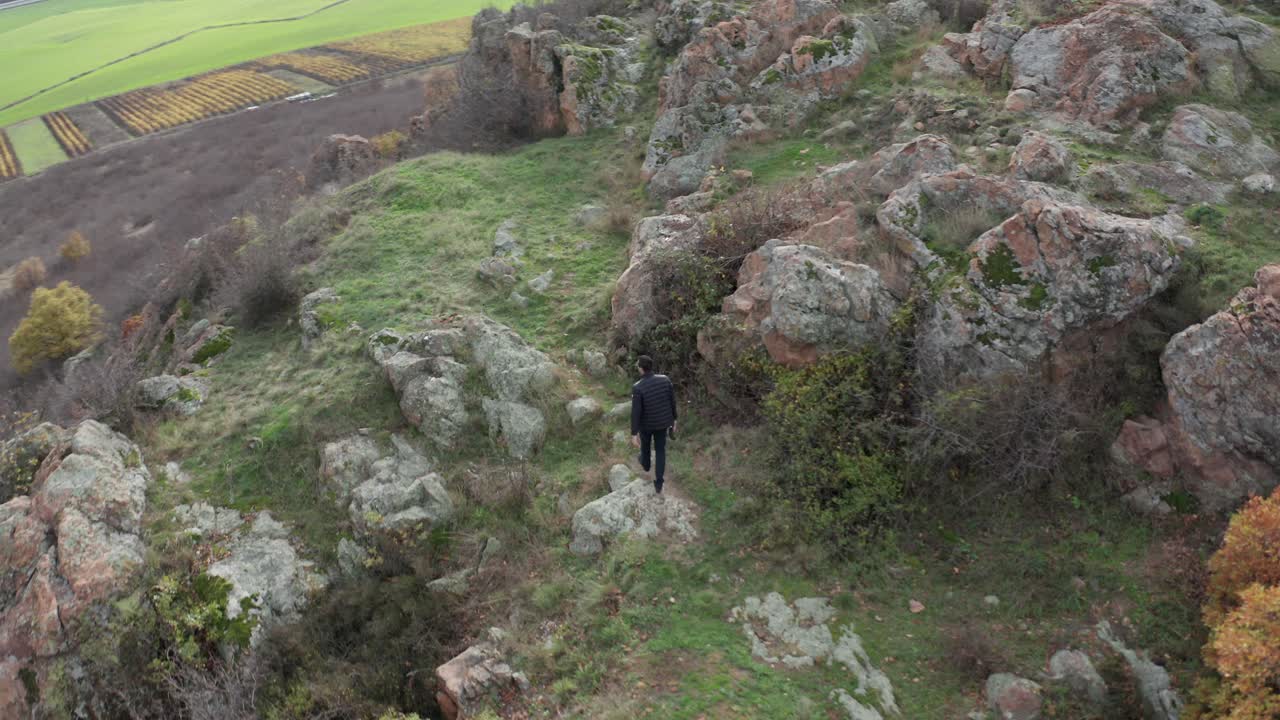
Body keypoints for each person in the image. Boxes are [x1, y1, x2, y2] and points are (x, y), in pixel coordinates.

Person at [630, 355, 677, 494]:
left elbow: (636, 412)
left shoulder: (638, 387)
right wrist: (675, 419)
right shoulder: (665, 380)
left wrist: (634, 433)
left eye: (637, 365)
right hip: (663, 423)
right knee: (660, 450)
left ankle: (645, 465)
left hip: (646, 426)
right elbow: (672, 401)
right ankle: (659, 483)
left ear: (641, 368)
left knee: (645, 447)